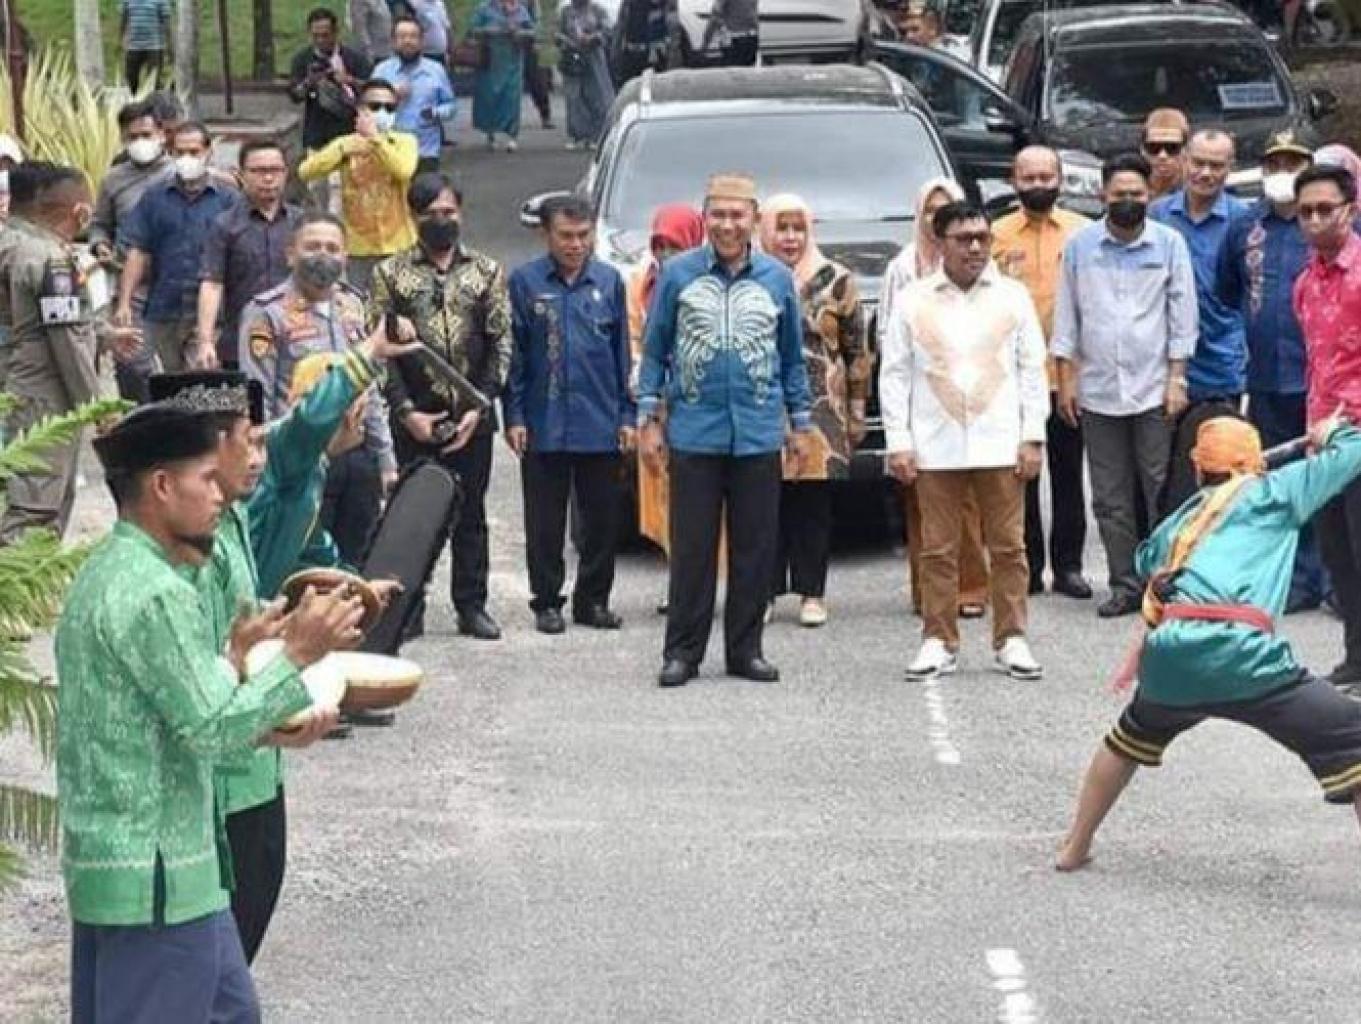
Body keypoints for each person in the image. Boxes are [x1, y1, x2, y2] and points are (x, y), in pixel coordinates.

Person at [56, 400, 355, 1022]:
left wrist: (238, 662)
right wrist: (297, 653)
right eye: (207, 481)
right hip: (156, 879)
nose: (222, 497)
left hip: (162, 870)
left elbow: (168, 708)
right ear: (161, 487)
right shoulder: (157, 592)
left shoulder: (109, 570)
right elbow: (213, 731)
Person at [1054, 414, 1361, 874]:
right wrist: (1329, 434)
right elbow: (1353, 452)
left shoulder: (1184, 518)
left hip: (1172, 657)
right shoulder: (1275, 491)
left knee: (1127, 739)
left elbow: (1146, 561)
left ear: (1199, 469)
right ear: (1253, 461)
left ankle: (1074, 848)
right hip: (1243, 656)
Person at [637, 173, 815, 687]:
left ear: (753, 219)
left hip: (758, 432)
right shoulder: (678, 276)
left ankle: (746, 650)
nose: (728, 225)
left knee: (755, 549)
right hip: (694, 431)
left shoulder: (778, 280)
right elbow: (655, 350)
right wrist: (648, 420)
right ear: (705, 217)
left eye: (738, 216)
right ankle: (682, 653)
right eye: (718, 215)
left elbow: (791, 361)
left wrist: (800, 425)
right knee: (691, 550)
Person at [881, 201, 1049, 681]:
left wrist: (1032, 435)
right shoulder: (914, 299)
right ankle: (938, 639)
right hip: (936, 443)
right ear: (940, 243)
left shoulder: (1012, 296)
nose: (975, 247)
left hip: (1001, 440)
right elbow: (893, 374)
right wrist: (900, 441)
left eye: (982, 237)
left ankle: (1012, 638)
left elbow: (1030, 370)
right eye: (963, 238)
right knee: (937, 549)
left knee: (1009, 547)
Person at [1053, 152, 1198, 618]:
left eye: (1137, 193)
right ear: (1103, 196)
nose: (1129, 201)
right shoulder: (1080, 247)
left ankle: (1164, 584)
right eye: (1119, 194)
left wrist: (1177, 377)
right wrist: (1066, 381)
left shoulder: (1169, 244)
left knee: (1160, 490)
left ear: (1150, 194)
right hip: (1098, 392)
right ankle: (1124, 584)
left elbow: (1182, 314)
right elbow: (1066, 318)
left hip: (1155, 388)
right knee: (1110, 497)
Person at [372, 172, 513, 641]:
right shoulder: (389, 274)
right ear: (415, 218)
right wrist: (405, 411)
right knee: (411, 516)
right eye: (431, 214)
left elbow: (500, 344)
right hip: (415, 415)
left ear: (462, 214)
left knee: (470, 515)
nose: (441, 221)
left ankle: (471, 606)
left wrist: (482, 405)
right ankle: (407, 608)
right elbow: (381, 353)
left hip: (472, 414)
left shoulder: (486, 272)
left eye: (449, 212)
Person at [241, 211, 399, 565]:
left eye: (332, 248)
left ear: (345, 257)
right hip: (302, 460)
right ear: (290, 254)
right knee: (300, 561)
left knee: (356, 560)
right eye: (312, 247)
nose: (323, 255)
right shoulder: (266, 313)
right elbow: (258, 395)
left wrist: (386, 461)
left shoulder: (353, 306)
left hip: (357, 457)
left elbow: (369, 389)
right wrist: (266, 461)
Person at [505, 195, 633, 633]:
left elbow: (622, 357)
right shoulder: (524, 283)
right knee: (544, 520)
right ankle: (546, 602)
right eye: (566, 236)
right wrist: (515, 416)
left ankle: (593, 601)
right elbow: (515, 358)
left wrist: (626, 417)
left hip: (599, 420)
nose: (575, 245)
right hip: (544, 421)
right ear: (546, 234)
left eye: (583, 236)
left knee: (601, 519)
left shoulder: (610, 282)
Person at [1218, 130, 1329, 615]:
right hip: (1265, 377)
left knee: (1329, 481)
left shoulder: (1334, 226)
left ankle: (1335, 580)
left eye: (1293, 161)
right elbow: (1227, 290)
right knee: (1279, 483)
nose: (1283, 171)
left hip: (1322, 379)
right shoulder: (1245, 227)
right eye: (1275, 162)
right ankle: (1293, 579)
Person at [879, 177, 991, 619]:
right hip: (919, 398)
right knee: (922, 501)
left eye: (944, 209)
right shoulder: (903, 268)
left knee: (967, 500)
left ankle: (970, 587)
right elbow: (891, 342)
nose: (934, 218)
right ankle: (928, 591)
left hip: (968, 397)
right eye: (929, 210)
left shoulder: (982, 266)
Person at [759, 193, 869, 627]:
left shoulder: (836, 279)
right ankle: (762, 591)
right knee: (763, 502)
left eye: (798, 228)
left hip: (822, 408)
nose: (790, 238)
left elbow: (857, 348)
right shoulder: (752, 277)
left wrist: (857, 410)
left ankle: (811, 592)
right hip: (764, 405)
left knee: (813, 504)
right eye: (781, 228)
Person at [991, 146, 1092, 599]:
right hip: (1015, 376)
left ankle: (1069, 567)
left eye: (1045, 176)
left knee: (1069, 475)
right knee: (1021, 477)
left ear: (1060, 179)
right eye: (1028, 178)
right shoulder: (994, 235)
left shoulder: (1083, 233)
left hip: (1069, 373)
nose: (1038, 185)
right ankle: (1027, 568)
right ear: (1014, 181)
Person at [0, 167, 118, 544]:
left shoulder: (9, 242)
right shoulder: (51, 260)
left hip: (15, 386)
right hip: (44, 397)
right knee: (36, 505)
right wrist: (97, 409)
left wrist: (104, 334)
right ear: (77, 210)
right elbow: (65, 340)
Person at [1150, 129, 1249, 516]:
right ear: (1185, 160)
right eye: (1198, 162)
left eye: (1216, 166)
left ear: (1231, 169)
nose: (1205, 173)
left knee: (1219, 469)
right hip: (1165, 361)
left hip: (1221, 359)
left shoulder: (1242, 220)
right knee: (1164, 471)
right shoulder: (1158, 214)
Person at [1294, 164, 1361, 687]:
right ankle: (1356, 658)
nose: (1315, 220)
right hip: (1321, 440)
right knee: (1339, 556)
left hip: (1358, 435)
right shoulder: (1305, 282)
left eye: (1325, 209)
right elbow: (1317, 364)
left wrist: (1345, 417)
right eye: (1306, 211)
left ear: (1351, 209)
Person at [116, 121, 238, 373]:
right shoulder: (155, 196)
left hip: (212, 309)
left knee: (200, 376)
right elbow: (138, 249)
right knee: (170, 379)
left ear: (208, 152)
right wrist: (125, 301)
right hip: (165, 305)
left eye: (194, 152)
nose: (187, 159)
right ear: (170, 153)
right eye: (180, 152)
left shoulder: (228, 199)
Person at [626, 204, 705, 565]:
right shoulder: (640, 282)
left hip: (702, 405)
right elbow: (636, 339)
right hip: (658, 403)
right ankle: (678, 573)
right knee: (665, 495)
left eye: (675, 245)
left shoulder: (711, 278)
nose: (666, 254)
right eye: (659, 245)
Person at [297, 77, 420, 296]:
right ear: (360, 109)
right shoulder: (346, 144)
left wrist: (375, 141)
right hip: (359, 247)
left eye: (389, 107)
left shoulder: (404, 142)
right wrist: (343, 149)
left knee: (399, 308)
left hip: (399, 244)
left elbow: (403, 170)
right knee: (360, 308)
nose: (382, 112)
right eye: (374, 106)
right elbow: (306, 171)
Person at [197, 140, 303, 369]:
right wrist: (205, 341)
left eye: (275, 170)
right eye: (258, 171)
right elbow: (212, 283)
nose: (268, 178)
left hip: (296, 339)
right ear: (241, 175)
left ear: (286, 173)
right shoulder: (224, 225)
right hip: (240, 343)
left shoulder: (302, 223)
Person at [90, 99, 170, 402]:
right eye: (132, 136)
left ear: (162, 134)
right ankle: (137, 424)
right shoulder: (113, 179)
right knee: (130, 360)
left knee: (179, 368)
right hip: (130, 288)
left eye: (146, 134)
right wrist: (101, 244)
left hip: (175, 285)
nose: (140, 142)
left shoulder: (180, 175)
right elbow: (100, 224)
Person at [288, 8, 374, 164]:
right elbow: (294, 95)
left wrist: (349, 80)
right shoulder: (302, 59)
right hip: (317, 135)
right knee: (316, 186)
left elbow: (371, 91)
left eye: (325, 35)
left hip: (349, 135)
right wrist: (309, 82)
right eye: (315, 36)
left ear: (336, 33)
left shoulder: (354, 58)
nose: (320, 40)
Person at [374, 16, 457, 171]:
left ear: (421, 41)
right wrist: (391, 97)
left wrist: (435, 113)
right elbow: (367, 111)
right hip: (391, 152)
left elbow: (451, 105)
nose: (408, 41)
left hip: (426, 150)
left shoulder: (435, 71)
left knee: (426, 193)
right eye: (402, 37)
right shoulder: (381, 71)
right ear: (393, 42)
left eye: (413, 36)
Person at [469, 0, 536, 153]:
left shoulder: (521, 9)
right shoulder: (484, 8)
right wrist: (494, 31)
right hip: (490, 60)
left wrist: (518, 32)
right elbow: (473, 30)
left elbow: (532, 32)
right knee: (489, 98)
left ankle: (512, 136)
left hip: (513, 60)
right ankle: (490, 134)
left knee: (512, 98)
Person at [558, 0, 616, 151]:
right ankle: (576, 135)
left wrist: (593, 38)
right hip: (572, 58)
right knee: (574, 96)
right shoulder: (566, 12)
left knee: (596, 96)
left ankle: (596, 136)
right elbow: (558, 32)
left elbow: (608, 31)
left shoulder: (597, 10)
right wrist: (564, 41)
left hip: (593, 58)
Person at [1141, 107, 1190, 201]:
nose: (1162, 156)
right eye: (1154, 148)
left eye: (1172, 148)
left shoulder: (1199, 189)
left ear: (1187, 150)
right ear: (1143, 150)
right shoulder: (1132, 188)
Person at [120, 0, 171, 88]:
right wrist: (120, 40)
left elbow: (166, 24)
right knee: (130, 81)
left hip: (154, 47)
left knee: (154, 83)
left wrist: (170, 46)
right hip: (133, 46)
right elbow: (124, 19)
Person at [701, 0, 759, 65]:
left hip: (734, 39)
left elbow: (715, 16)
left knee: (732, 70)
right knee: (747, 70)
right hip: (751, 38)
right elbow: (753, 15)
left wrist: (705, 45)